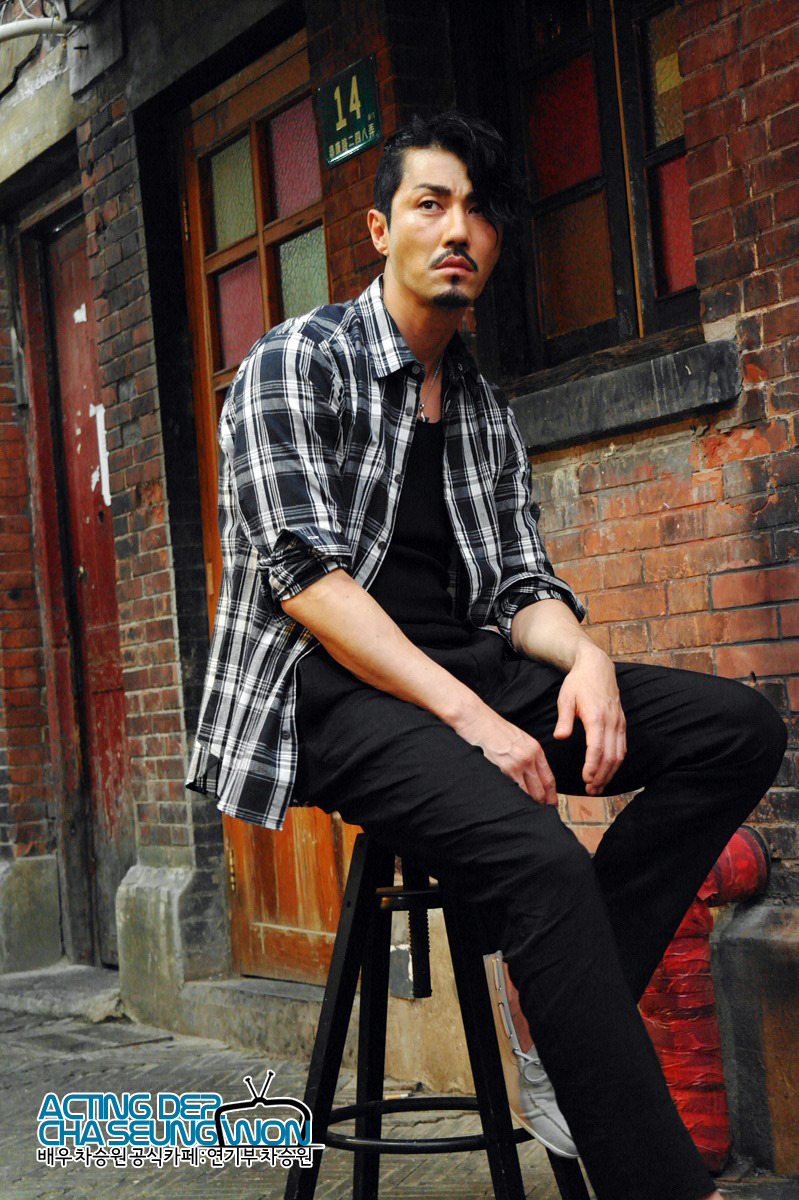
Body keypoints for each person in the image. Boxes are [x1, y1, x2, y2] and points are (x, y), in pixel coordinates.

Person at [187, 111, 787, 1200]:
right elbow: (307, 583)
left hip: (465, 671)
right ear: (381, 229)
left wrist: (585, 656)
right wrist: (476, 723)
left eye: (476, 211)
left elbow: (517, 587)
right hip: (326, 694)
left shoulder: (479, 407)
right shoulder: (294, 363)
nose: (456, 229)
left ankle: (565, 998)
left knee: (734, 729)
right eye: (430, 203)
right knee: (541, 864)